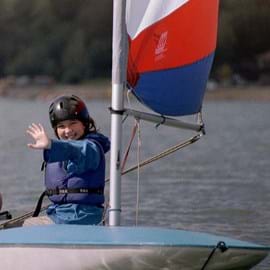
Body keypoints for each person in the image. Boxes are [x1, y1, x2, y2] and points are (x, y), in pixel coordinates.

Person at [24, 95, 110, 226]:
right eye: (61, 126)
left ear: (85, 124)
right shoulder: (60, 152)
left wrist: (51, 145)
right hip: (59, 215)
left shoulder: (91, 148)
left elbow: (76, 151)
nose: (68, 130)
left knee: (27, 226)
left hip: (82, 218)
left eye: (73, 123)